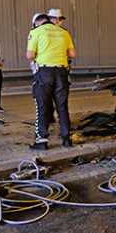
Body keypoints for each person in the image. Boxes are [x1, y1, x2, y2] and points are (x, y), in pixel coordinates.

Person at [27, 13, 76, 150]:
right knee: (62, 107)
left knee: (42, 106)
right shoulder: (63, 32)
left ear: (38, 23)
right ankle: (66, 139)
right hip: (61, 72)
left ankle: (41, 141)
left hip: (44, 73)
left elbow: (30, 56)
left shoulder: (36, 32)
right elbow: (72, 54)